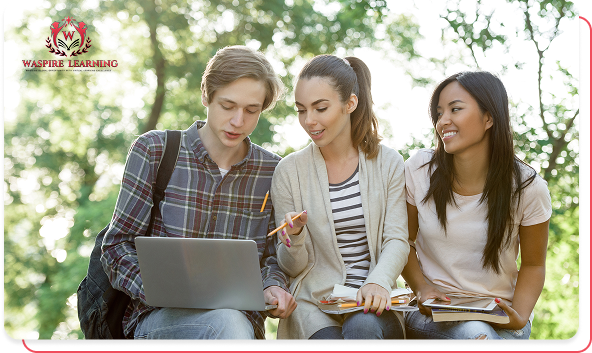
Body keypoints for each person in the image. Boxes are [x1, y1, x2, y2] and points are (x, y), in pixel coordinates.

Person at [101, 45, 297, 340]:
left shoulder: (273, 171)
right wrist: (160, 290)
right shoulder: (155, 151)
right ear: (206, 95)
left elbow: (273, 256)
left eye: (251, 110)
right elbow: (116, 247)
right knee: (226, 324)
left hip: (240, 325)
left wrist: (273, 286)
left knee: (229, 323)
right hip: (158, 319)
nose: (238, 121)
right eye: (227, 106)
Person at [402, 71, 552, 340]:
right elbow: (403, 240)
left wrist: (518, 315)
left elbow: (533, 264)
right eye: (439, 113)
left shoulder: (528, 186)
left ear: (489, 118)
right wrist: (421, 287)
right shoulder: (419, 169)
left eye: (455, 109)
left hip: (500, 316)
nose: (442, 121)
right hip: (436, 314)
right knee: (476, 335)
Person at [269, 54, 410, 340]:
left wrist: (379, 282)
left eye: (320, 108)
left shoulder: (388, 163)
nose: (309, 121)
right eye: (301, 110)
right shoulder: (289, 171)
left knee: (362, 327)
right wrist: (294, 238)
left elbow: (397, 239)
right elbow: (290, 267)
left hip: (374, 299)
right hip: (314, 305)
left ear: (350, 103)